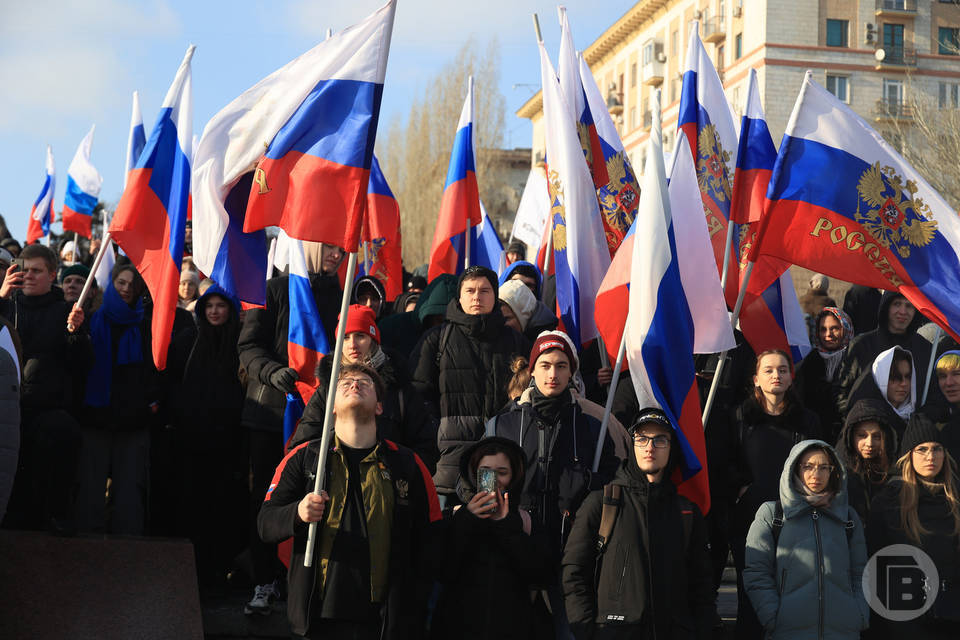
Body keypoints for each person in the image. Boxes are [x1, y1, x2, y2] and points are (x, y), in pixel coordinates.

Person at [257, 363, 441, 639]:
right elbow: (265, 523)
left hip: (383, 623)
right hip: (317, 619)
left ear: (380, 407)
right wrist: (298, 512)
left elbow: (431, 539)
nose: (355, 384)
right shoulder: (304, 458)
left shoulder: (408, 464)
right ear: (331, 404)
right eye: (345, 383)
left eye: (365, 383)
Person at [238, 240, 345, 613]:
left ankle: (303, 582)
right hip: (271, 414)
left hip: (321, 418)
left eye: (342, 251)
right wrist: (272, 372)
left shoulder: (342, 296)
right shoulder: (275, 289)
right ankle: (263, 580)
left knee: (317, 498)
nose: (337, 256)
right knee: (269, 499)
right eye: (330, 247)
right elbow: (249, 347)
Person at [562, 408, 715, 639]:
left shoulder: (687, 512)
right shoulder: (602, 503)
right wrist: (588, 632)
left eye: (660, 440)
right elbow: (574, 572)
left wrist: (699, 632)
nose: (650, 447)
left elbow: (702, 585)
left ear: (672, 446)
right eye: (642, 439)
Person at [409, 266, 528, 502]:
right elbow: (417, 396)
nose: (477, 297)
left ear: (495, 296)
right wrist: (438, 434)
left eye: (484, 290)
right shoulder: (436, 339)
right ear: (459, 296)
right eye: (470, 290)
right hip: (447, 466)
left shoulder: (516, 341)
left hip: (499, 461)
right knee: (447, 532)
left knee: (491, 526)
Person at [727, 349, 821, 639]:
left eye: (782, 370)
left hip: (796, 522)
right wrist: (742, 491)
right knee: (751, 598)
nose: (776, 375)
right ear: (756, 379)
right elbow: (726, 463)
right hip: (750, 521)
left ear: (791, 378)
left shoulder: (807, 421)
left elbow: (818, 465)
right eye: (768, 370)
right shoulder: (739, 419)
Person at [0, 244, 90, 532]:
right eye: (23, 270)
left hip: (46, 412)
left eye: (36, 271)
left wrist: (75, 335)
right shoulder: (6, 307)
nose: (28, 276)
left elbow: (83, 365)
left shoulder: (66, 312)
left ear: (52, 275)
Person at [743, 440, 869, 639]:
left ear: (833, 471)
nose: (816, 474)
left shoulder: (848, 517)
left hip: (842, 631)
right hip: (787, 631)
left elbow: (861, 572)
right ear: (794, 468)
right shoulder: (772, 513)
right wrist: (772, 616)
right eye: (808, 466)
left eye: (823, 467)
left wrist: (859, 614)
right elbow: (757, 572)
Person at [290, 304, 438, 472]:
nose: (352, 344)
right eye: (345, 337)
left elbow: (426, 448)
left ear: (373, 340)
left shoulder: (400, 388)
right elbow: (301, 448)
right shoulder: (328, 390)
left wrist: (399, 477)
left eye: (360, 336)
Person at [430, 436, 551, 639]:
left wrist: (507, 526)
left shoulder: (526, 521)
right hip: (457, 627)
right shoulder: (454, 516)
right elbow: (443, 571)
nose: (494, 480)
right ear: (473, 473)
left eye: (502, 473)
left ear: (514, 476)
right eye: (485, 473)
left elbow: (541, 574)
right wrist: (468, 519)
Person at [76, 263, 159, 535]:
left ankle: (128, 546)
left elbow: (154, 369)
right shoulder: (90, 320)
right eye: (120, 283)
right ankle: (88, 538)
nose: (125, 289)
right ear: (111, 285)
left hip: (133, 419)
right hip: (95, 416)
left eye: (131, 285)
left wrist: (149, 404)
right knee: (91, 484)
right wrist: (73, 334)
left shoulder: (146, 325)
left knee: (129, 488)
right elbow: (78, 363)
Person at [170, 286, 246, 585]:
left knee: (222, 506)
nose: (215, 311)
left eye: (221, 305)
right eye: (209, 305)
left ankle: (217, 571)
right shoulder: (188, 341)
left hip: (228, 441)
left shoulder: (239, 343)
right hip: (193, 440)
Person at [868, 414, 960, 639]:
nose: (931, 456)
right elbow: (873, 564)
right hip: (904, 620)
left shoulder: (955, 500)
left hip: (950, 617)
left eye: (937, 448)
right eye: (922, 449)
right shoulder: (889, 501)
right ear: (909, 455)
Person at [839, 291, 930, 410]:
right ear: (886, 307)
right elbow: (843, 393)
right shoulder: (862, 345)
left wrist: (920, 421)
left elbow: (933, 395)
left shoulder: (925, 348)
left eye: (909, 306)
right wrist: (857, 423)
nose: (903, 312)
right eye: (897, 304)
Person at [794, 307, 854, 442]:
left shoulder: (855, 359)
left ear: (845, 328)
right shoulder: (809, 362)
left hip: (847, 435)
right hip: (814, 435)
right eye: (823, 329)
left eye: (834, 328)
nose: (828, 334)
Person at [835, 399, 898, 525]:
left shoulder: (895, 472)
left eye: (876, 436)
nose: (869, 444)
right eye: (862, 436)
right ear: (850, 436)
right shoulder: (838, 472)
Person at [379, 274, 457, 360]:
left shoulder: (467, 338)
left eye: (450, 321)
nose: (443, 327)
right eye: (438, 320)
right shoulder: (391, 328)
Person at [845, 346, 917, 438]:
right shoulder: (864, 418)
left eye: (908, 376)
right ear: (880, 378)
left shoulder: (917, 419)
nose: (904, 383)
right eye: (895, 377)